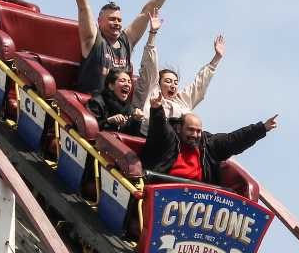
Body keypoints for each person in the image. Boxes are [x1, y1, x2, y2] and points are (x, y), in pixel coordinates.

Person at [69, 0, 181, 93]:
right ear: (99, 21)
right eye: (111, 19)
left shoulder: (125, 41)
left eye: (119, 20)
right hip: (94, 107)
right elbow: (83, 7)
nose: (116, 23)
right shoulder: (93, 40)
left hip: (120, 108)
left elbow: (146, 13)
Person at [140, 91, 278, 184]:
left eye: (198, 131)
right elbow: (159, 130)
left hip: (197, 200)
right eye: (190, 130)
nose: (195, 135)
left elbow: (233, 140)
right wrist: (157, 109)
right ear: (179, 128)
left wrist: (262, 128)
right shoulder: (169, 138)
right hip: (163, 191)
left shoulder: (207, 145)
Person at [138, 20, 224, 122]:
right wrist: (152, 34)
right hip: (154, 135)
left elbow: (199, 85)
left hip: (178, 137)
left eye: (175, 83)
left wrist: (217, 58)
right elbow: (149, 67)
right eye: (168, 81)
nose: (173, 85)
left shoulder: (181, 101)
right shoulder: (151, 94)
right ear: (158, 84)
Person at [87, 69, 147, 134]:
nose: (127, 84)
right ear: (111, 86)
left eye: (129, 82)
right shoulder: (96, 102)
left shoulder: (129, 108)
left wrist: (136, 120)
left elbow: (131, 135)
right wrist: (109, 121)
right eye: (122, 81)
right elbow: (90, 129)